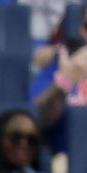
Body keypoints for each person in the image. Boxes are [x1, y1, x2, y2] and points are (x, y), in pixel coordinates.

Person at [30, 7, 87, 155]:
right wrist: (65, 83)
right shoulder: (64, 63)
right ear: (81, 30)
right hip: (68, 163)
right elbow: (35, 120)